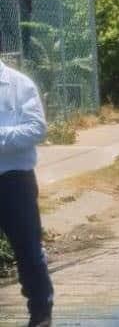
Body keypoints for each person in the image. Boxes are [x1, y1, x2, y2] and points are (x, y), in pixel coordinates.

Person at [0, 58, 53, 327]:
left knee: (28, 249)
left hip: (14, 181)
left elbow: (37, 129)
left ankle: (41, 310)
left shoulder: (19, 84)